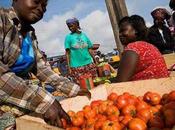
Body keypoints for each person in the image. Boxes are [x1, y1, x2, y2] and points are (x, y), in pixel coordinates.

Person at [0, 0, 91, 129]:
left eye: (44, 6)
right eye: (36, 1)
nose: (40, 9)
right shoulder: (2, 20)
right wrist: (42, 100)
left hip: (19, 98)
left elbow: (41, 68)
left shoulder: (30, 34)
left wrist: (72, 89)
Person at [112, 15, 169, 82]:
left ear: (136, 30)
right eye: (119, 32)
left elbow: (120, 82)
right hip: (162, 87)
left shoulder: (132, 48)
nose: (120, 34)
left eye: (123, 30)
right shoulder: (149, 46)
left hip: (147, 90)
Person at [65, 17, 97, 84]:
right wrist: (69, 67)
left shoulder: (84, 35)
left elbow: (90, 49)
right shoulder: (68, 37)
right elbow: (68, 53)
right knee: (82, 86)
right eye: (68, 27)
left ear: (77, 24)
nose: (70, 28)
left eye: (71, 26)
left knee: (94, 83)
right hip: (76, 67)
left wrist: (95, 60)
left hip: (89, 64)